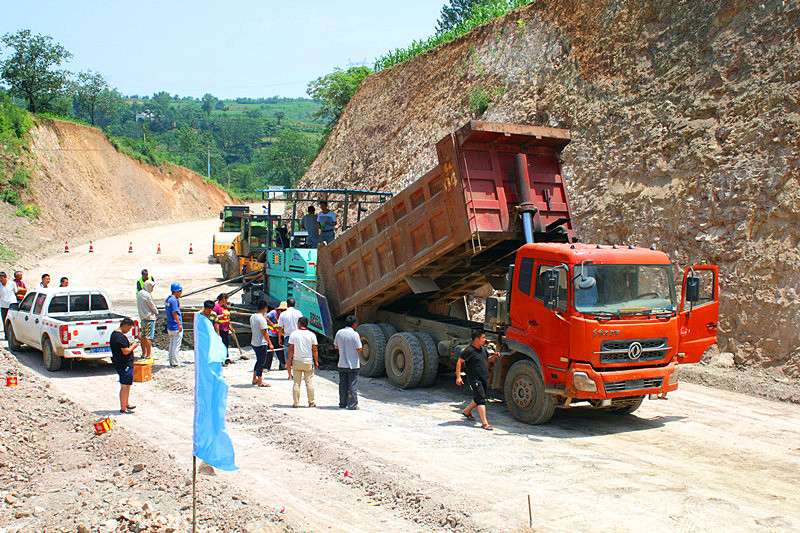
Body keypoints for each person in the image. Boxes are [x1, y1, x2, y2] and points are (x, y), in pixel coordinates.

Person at [455, 330, 500, 431]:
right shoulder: (469, 350)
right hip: (474, 379)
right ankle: (484, 423)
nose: (485, 340)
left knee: (479, 396)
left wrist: (494, 357)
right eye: (483, 338)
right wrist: (458, 377)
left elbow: (487, 360)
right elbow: (459, 362)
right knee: (481, 399)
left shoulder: (483, 349)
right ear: (476, 339)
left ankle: (466, 412)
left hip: (483, 378)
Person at [110, 317, 140, 414]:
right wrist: (133, 346)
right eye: (129, 328)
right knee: (124, 386)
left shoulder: (115, 335)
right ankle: (123, 408)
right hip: (124, 364)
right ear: (125, 326)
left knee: (127, 385)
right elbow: (125, 351)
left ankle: (126, 403)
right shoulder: (120, 337)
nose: (129, 331)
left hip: (121, 363)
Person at [287, 317, 318, 408]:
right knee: (309, 383)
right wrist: (316, 361)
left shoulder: (294, 334)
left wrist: (289, 360)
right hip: (308, 361)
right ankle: (311, 402)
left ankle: (296, 402)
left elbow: (291, 349)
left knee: (296, 382)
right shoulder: (312, 335)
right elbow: (315, 350)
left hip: (297, 360)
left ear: (299, 323)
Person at [334, 315, 362, 410]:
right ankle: (352, 405)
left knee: (342, 385)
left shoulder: (339, 333)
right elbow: (359, 349)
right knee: (352, 385)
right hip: (353, 364)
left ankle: (342, 403)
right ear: (354, 324)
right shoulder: (355, 334)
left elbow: (336, 346)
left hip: (342, 363)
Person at [249, 301, 274, 387]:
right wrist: (270, 343)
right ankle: (260, 381)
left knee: (258, 361)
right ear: (265, 308)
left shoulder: (252, 316)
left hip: (254, 342)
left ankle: (254, 378)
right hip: (261, 343)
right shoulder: (261, 318)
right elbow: (264, 332)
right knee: (261, 362)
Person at [277, 298, 302, 373]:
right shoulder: (299, 313)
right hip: (297, 336)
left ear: (287, 305)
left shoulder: (283, 314)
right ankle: (297, 373)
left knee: (288, 357)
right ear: (294, 305)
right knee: (298, 355)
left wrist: (279, 338)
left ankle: (290, 375)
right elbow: (301, 325)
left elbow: (280, 327)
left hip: (287, 337)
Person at [136, 280, 157, 359]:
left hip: (142, 317)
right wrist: (156, 312)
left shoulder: (140, 293)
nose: (152, 289)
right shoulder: (147, 295)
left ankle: (143, 353)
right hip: (149, 317)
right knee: (148, 337)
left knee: (143, 336)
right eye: (151, 287)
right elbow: (152, 306)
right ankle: (149, 354)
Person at [165, 282, 183, 367]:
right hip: (175, 326)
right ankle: (175, 363)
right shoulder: (173, 301)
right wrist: (179, 324)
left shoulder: (168, 299)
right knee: (176, 346)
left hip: (170, 325)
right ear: (177, 291)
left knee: (171, 344)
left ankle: (171, 362)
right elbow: (175, 313)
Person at [266, 301, 287, 371]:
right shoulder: (274, 312)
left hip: (279, 335)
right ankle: (266, 367)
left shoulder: (284, 315)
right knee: (270, 352)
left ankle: (282, 365)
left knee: (280, 351)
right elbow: (265, 317)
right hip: (272, 334)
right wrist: (272, 325)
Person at [213, 293, 232, 365]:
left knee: (226, 343)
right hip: (220, 328)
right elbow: (213, 316)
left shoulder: (224, 307)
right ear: (223, 299)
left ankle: (227, 359)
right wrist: (222, 315)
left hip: (225, 327)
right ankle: (220, 360)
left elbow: (227, 318)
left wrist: (230, 327)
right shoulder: (216, 306)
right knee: (221, 344)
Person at [0, 272, 18, 340]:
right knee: (4, 320)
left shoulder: (12, 283)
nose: (1, 279)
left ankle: (14, 335)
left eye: (1, 278)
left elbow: (16, 291)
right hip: (3, 305)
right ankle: (6, 335)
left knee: (13, 320)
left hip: (11, 304)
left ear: (5, 277)